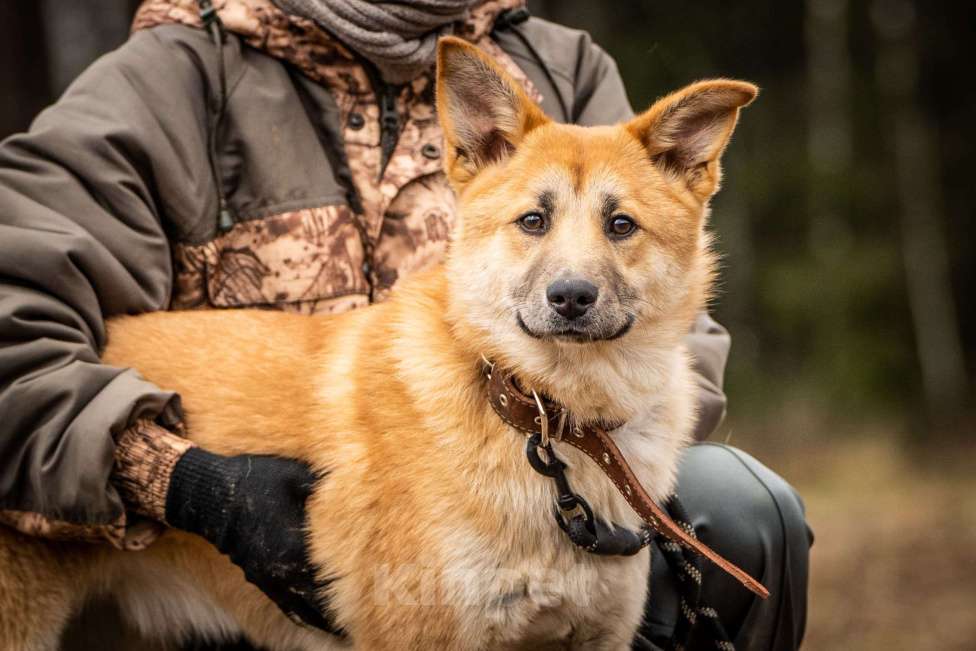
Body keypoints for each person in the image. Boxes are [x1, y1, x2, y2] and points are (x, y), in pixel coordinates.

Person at [0, 1, 811, 649]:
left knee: (745, 511)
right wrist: (186, 486)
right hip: (165, 524)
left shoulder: (560, 67)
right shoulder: (174, 76)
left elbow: (673, 313)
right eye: (534, 223)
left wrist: (603, 443)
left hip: (563, 472)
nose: (572, 275)